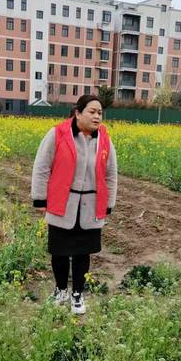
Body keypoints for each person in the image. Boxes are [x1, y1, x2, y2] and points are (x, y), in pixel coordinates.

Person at [31, 95, 118, 314]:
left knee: (82, 252)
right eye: (92, 111)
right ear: (78, 113)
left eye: (100, 112)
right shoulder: (57, 134)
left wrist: (109, 202)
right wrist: (40, 198)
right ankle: (61, 290)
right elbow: (42, 166)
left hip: (91, 205)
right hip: (63, 203)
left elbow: (111, 174)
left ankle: (77, 294)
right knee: (59, 251)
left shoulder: (105, 140)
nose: (97, 116)